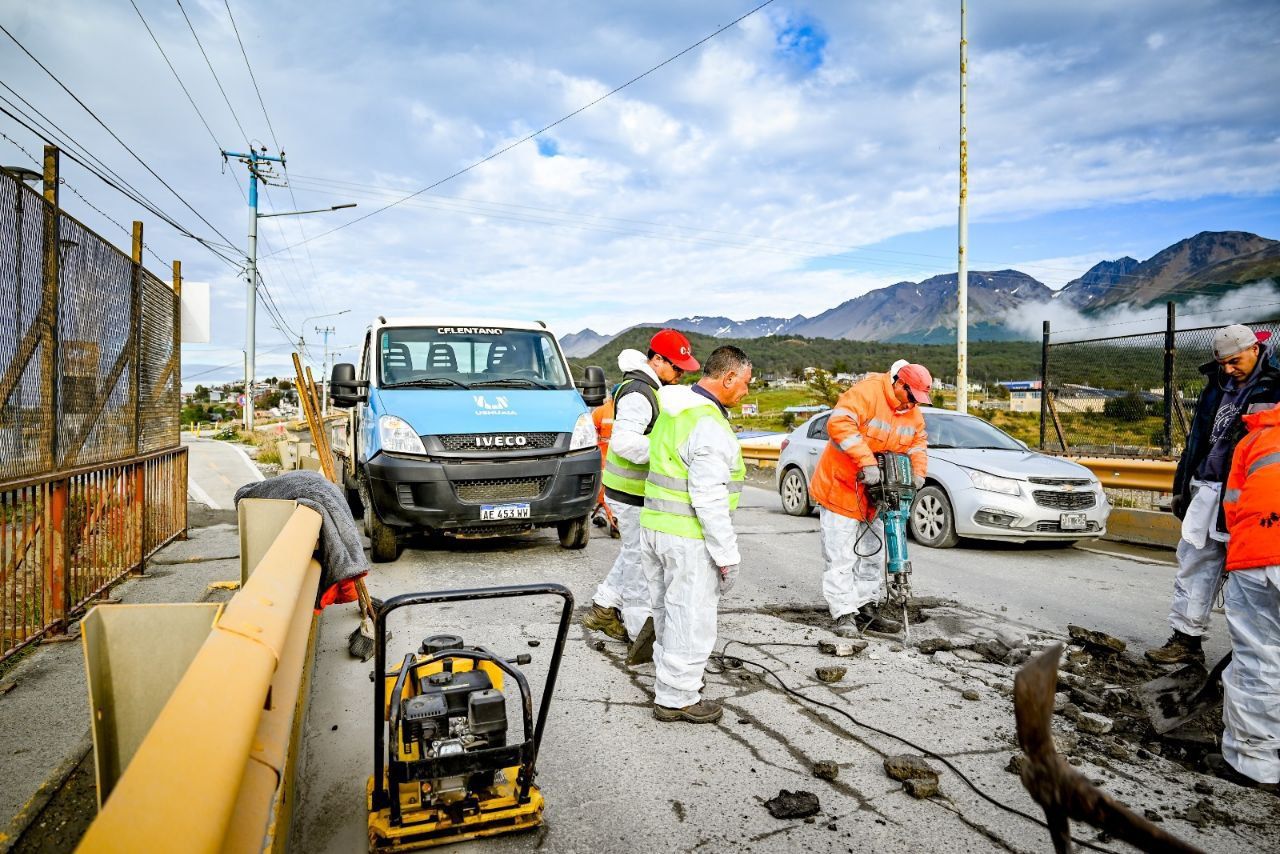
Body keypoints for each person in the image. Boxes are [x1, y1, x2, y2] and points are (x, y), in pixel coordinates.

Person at [1147, 324, 1280, 665]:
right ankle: (1186, 640)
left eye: (1234, 361)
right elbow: (1197, 439)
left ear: (1254, 349)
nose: (1229, 369)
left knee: (1252, 575)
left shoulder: (1275, 385)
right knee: (1195, 561)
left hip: (1254, 495)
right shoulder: (1215, 386)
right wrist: (1182, 486)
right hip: (1208, 487)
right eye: (1223, 363)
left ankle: (1251, 655)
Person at [641, 345, 752, 723]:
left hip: (655, 528)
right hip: (688, 537)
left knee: (666, 613)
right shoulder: (709, 425)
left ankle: (670, 682)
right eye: (746, 384)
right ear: (729, 378)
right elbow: (708, 499)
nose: (747, 393)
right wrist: (727, 555)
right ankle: (678, 698)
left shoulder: (674, 410)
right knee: (691, 617)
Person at [582, 329, 699, 662]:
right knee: (638, 559)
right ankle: (634, 629)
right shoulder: (639, 392)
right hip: (629, 490)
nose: (680, 375)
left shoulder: (651, 387)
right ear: (657, 360)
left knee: (635, 550)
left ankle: (604, 606)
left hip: (633, 489)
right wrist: (671, 451)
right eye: (676, 368)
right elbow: (624, 443)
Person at [809, 363, 932, 637]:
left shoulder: (913, 413)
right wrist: (867, 462)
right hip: (842, 486)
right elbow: (838, 423)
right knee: (840, 554)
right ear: (900, 384)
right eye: (911, 397)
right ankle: (843, 613)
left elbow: (917, 443)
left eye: (918, 400)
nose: (914, 403)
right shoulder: (866, 393)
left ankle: (867, 607)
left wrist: (918, 473)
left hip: (878, 494)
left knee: (872, 553)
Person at [1216, 401, 1280, 791]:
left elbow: (1233, 510)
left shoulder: (1255, 439)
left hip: (1258, 557)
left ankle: (1256, 765)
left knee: (1259, 660)